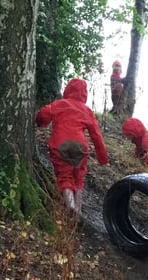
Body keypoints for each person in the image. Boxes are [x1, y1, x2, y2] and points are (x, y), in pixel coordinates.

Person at [35, 78, 109, 215]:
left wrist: (39, 122)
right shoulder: (87, 111)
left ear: (68, 89)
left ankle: (70, 206)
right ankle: (78, 210)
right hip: (81, 147)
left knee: (65, 176)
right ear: (84, 94)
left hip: (61, 144)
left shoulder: (60, 104)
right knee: (79, 177)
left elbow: (44, 113)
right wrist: (102, 158)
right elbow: (96, 135)